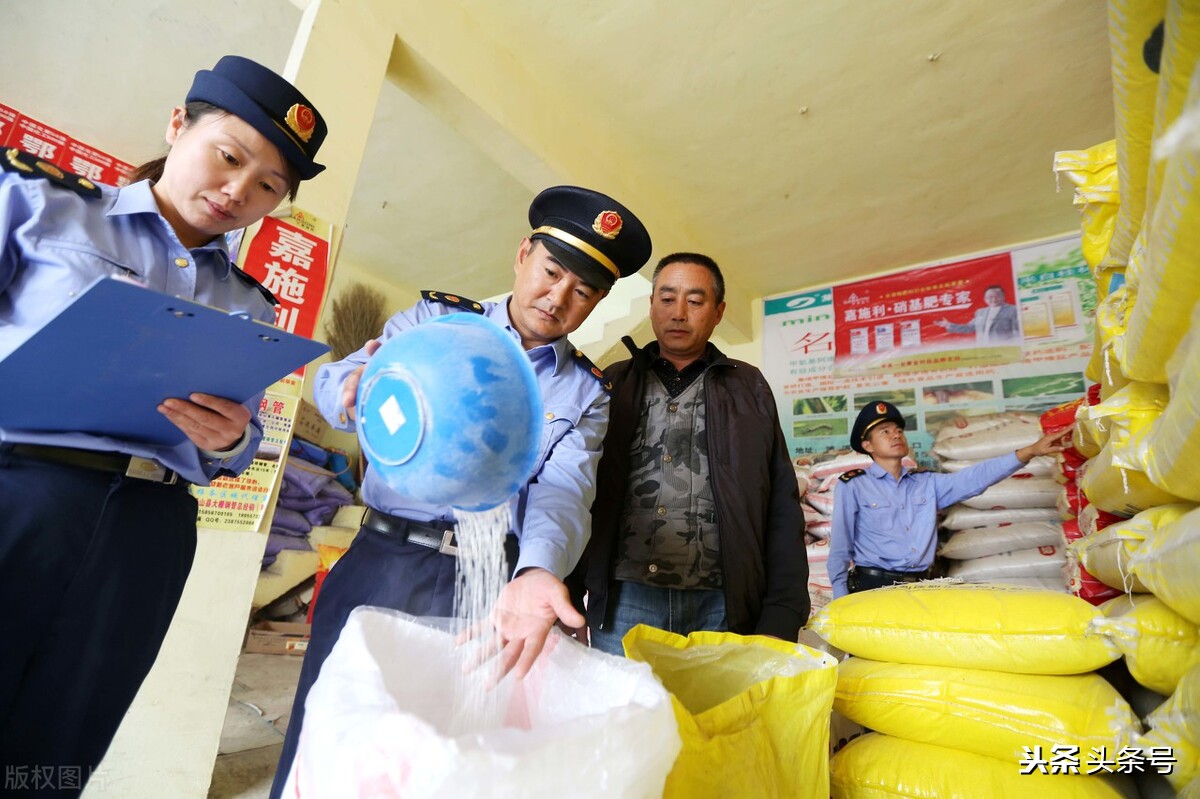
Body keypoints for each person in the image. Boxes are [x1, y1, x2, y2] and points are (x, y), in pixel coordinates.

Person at [0, 56, 328, 795]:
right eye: (230, 156)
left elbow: (240, 450)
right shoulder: (39, 200)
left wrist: (231, 440)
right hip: (20, 491)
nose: (239, 191)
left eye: (268, 186)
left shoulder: (251, 306)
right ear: (178, 126)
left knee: (64, 734)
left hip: (148, 531)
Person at [270, 185, 652, 797]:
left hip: (487, 586)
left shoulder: (585, 392)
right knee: (332, 732)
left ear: (599, 300)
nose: (557, 299)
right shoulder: (435, 324)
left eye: (583, 291)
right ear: (523, 254)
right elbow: (346, 378)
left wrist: (537, 570)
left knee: (447, 753)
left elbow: (563, 491)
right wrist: (348, 389)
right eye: (551, 272)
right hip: (387, 561)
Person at [568, 253, 809, 656]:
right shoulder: (613, 384)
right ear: (651, 307)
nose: (679, 313)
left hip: (723, 603)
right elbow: (577, 491)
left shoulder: (748, 388)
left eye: (695, 301)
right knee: (629, 717)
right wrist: (569, 591)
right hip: (625, 599)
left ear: (718, 312)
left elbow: (780, 504)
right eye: (666, 298)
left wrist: (782, 612)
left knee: (717, 719)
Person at [827, 401, 1068, 598]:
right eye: (885, 432)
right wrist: (840, 596)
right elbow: (841, 545)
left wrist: (1029, 452)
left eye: (899, 430)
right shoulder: (854, 485)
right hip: (872, 588)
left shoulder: (927, 483)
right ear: (867, 445)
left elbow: (975, 477)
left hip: (920, 588)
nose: (896, 435)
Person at [935, 284, 1020, 342]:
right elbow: (970, 328)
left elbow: (1018, 332)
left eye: (997, 296)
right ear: (985, 299)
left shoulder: (1013, 310)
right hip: (984, 352)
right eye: (990, 297)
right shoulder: (980, 312)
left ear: (1003, 296)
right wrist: (948, 325)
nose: (994, 299)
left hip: (1005, 351)